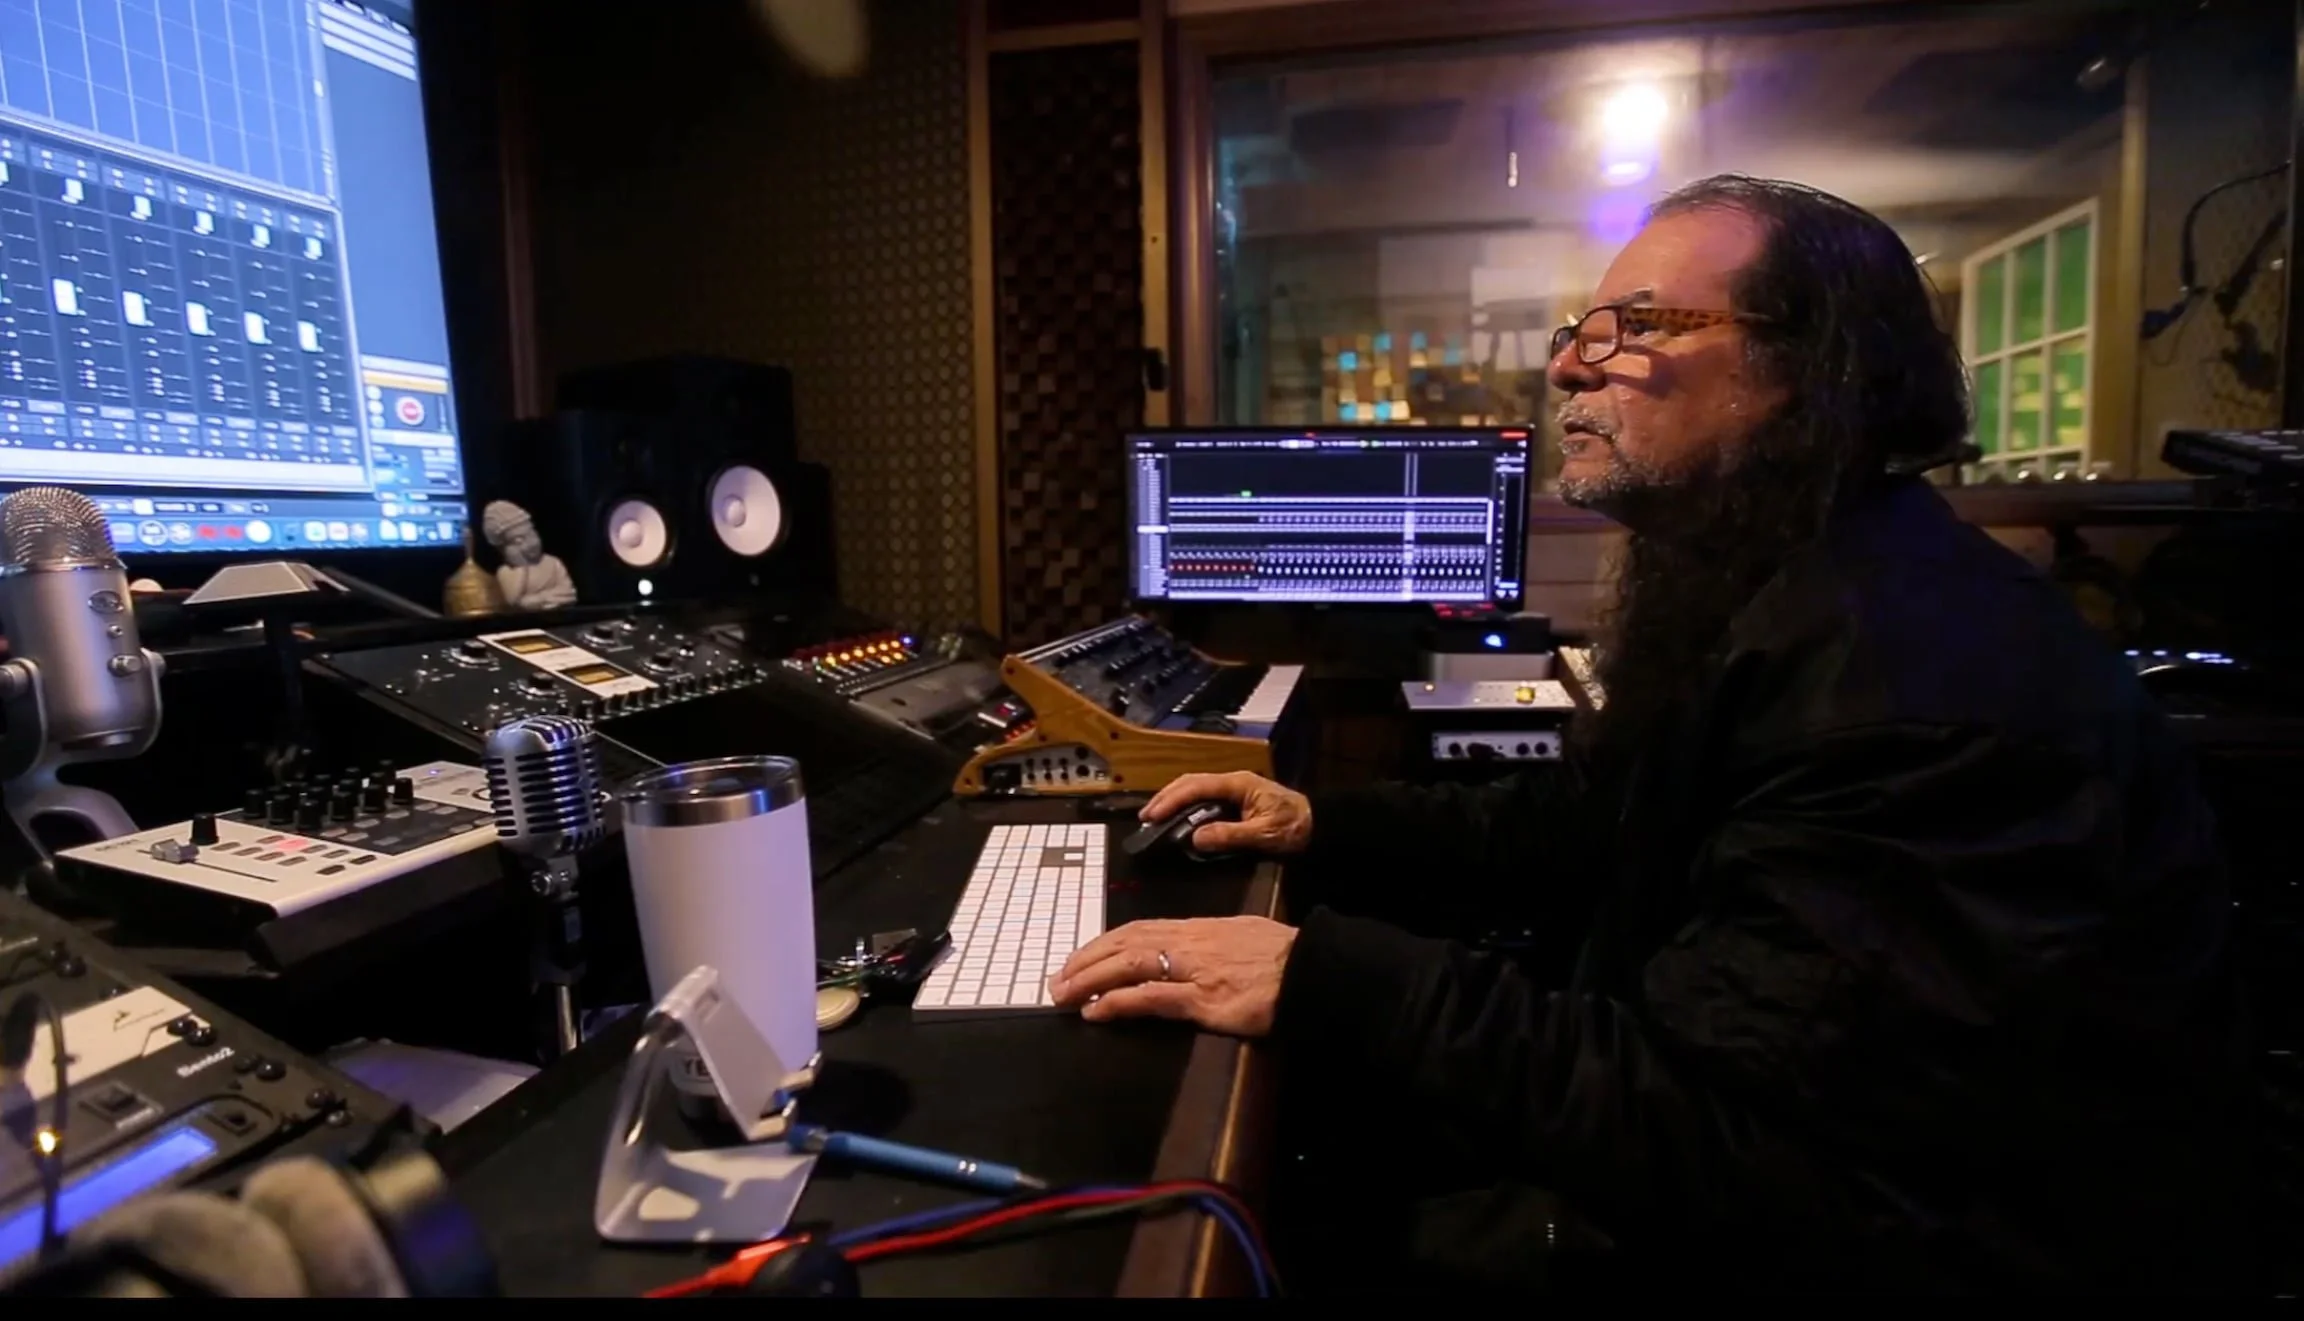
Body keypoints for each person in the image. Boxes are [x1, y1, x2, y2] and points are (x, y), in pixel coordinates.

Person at [1052, 175, 2252, 1293]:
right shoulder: (1780, 576)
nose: (1571, 363)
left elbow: (1737, 1137)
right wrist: (1327, 820)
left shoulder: (1907, 683)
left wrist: (1329, 976)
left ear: (1807, 370)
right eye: (1583, 327)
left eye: (1638, 324)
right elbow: (1602, 818)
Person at [480, 500, 578, 610]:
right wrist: (522, 568)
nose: (531, 543)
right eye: (518, 541)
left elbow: (569, 592)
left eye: (531, 533)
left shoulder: (553, 563)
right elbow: (513, 601)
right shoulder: (506, 571)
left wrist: (538, 599)